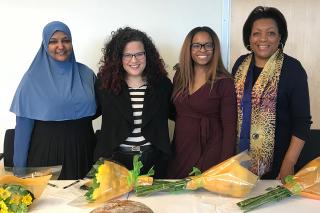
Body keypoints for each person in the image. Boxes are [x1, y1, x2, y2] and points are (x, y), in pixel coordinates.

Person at [232, 6, 312, 181]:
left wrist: (288, 164)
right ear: (249, 38)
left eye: (271, 33)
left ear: (280, 37)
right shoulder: (240, 65)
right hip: (238, 160)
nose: (263, 39)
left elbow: (302, 122)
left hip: (278, 165)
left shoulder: (292, 69)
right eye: (256, 33)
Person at [10, 21, 97, 179]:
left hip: (85, 150)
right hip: (47, 154)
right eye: (53, 41)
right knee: (51, 202)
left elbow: (100, 109)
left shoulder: (86, 74)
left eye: (65, 40)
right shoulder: (32, 80)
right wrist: (19, 171)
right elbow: (23, 129)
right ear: (44, 44)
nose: (61, 46)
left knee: (88, 200)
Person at [93, 27, 172, 178]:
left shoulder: (162, 85)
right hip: (114, 162)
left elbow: (177, 113)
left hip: (153, 163)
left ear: (147, 55)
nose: (134, 60)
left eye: (139, 54)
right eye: (127, 55)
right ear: (118, 58)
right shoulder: (104, 85)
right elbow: (91, 112)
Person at [167, 26, 237, 179]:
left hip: (211, 148)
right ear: (189, 48)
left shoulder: (225, 82)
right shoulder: (180, 76)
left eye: (208, 45)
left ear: (215, 48)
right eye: (197, 45)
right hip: (181, 146)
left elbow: (230, 128)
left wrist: (224, 166)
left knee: (204, 196)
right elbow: (174, 112)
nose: (202, 50)